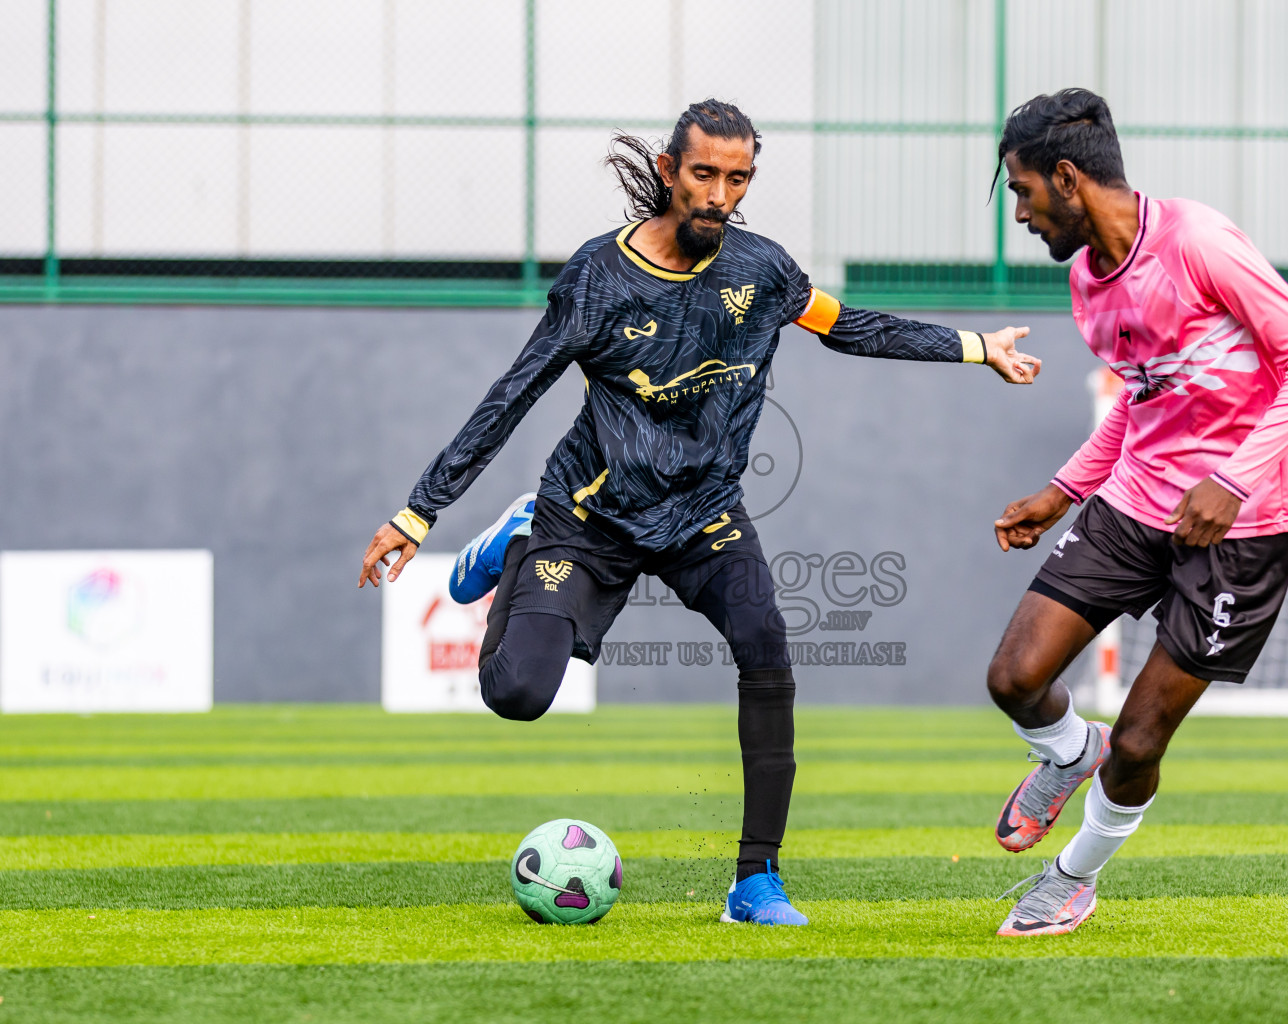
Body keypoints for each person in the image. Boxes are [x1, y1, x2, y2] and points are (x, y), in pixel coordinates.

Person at [358, 99, 1041, 927]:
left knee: (768, 649)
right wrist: (418, 513)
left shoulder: (762, 270)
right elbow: (513, 393)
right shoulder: (598, 278)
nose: (720, 194)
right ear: (668, 173)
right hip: (589, 516)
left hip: (704, 514)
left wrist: (975, 347)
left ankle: (756, 883)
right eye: (704, 174)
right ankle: (513, 542)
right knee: (518, 694)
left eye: (738, 178)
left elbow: (846, 325)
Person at [985, 89, 1288, 936]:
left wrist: (1234, 477)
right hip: (1132, 507)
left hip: (1238, 536)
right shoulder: (1086, 280)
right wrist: (1063, 490)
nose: (1022, 214)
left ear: (1067, 179)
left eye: (1024, 191)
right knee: (1014, 678)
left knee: (1143, 741)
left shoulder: (1198, 241)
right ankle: (1073, 752)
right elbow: (1140, 398)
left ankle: (1072, 876)